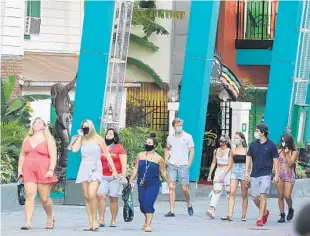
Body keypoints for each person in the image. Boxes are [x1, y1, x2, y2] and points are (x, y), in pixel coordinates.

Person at [71, 120, 118, 231]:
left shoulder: (99, 139)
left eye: (87, 127)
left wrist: (114, 170)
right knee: (86, 196)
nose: (85, 128)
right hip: (84, 166)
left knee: (92, 194)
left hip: (96, 167)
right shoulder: (82, 139)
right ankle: (91, 222)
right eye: (83, 127)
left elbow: (107, 155)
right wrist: (79, 136)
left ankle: (96, 220)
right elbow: (74, 149)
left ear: (92, 127)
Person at [18, 117, 58, 230]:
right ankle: (28, 222)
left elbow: (53, 156)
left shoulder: (48, 139)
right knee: (29, 195)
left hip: (44, 170)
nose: (36, 123)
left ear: (44, 126)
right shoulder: (27, 138)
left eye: (39, 122)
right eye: (34, 122)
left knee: (44, 198)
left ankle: (50, 217)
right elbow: (22, 155)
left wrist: (51, 170)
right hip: (28, 169)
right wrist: (19, 169)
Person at [130, 133, 170, 232]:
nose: (147, 144)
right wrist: (131, 180)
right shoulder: (140, 155)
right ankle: (147, 217)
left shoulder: (158, 158)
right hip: (141, 182)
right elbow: (135, 169)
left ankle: (148, 224)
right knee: (142, 204)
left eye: (149, 143)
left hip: (154, 183)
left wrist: (169, 182)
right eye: (146, 142)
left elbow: (163, 171)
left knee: (148, 203)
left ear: (154, 145)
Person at [245, 123, 279, 227]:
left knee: (263, 195)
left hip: (266, 173)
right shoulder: (253, 144)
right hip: (255, 173)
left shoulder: (271, 145)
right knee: (255, 198)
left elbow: (276, 161)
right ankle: (264, 212)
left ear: (262, 132)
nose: (256, 132)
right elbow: (248, 158)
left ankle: (260, 219)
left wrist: (277, 175)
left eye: (257, 130)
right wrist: (246, 172)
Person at [97, 128, 127, 227]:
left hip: (115, 176)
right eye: (107, 134)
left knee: (113, 198)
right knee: (100, 195)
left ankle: (113, 220)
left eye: (111, 134)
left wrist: (123, 176)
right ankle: (101, 219)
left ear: (114, 137)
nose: (108, 135)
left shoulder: (119, 147)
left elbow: (123, 163)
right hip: (102, 176)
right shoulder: (101, 147)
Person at [164, 118, 194, 217]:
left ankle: (189, 202)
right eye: (177, 125)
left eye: (180, 125)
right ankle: (171, 210)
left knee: (184, 188)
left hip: (183, 165)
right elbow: (167, 148)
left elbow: (192, 151)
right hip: (172, 165)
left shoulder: (188, 137)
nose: (179, 127)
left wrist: (189, 163)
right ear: (174, 126)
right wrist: (166, 159)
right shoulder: (170, 138)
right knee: (171, 187)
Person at [221, 132, 248, 221]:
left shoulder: (246, 149)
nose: (235, 140)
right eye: (234, 138)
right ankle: (230, 215)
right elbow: (230, 164)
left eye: (237, 138)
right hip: (235, 172)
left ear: (242, 139)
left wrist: (248, 174)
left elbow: (250, 163)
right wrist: (223, 174)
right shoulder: (233, 149)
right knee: (232, 192)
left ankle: (243, 215)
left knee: (244, 194)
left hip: (244, 171)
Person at [206, 134, 232, 219]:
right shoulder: (216, 150)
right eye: (220, 141)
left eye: (223, 141)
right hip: (218, 169)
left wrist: (223, 175)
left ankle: (229, 212)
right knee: (216, 190)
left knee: (229, 192)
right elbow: (214, 162)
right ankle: (212, 209)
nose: (221, 143)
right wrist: (210, 174)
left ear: (226, 142)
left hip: (227, 171)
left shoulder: (230, 151)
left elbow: (230, 165)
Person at [276, 133, 298, 223]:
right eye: (282, 141)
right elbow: (276, 163)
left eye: (284, 141)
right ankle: (282, 215)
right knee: (280, 195)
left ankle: (290, 208)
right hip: (280, 174)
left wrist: (288, 153)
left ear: (288, 142)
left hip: (289, 174)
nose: (283, 142)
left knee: (287, 195)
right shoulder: (279, 151)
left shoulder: (294, 152)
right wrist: (276, 174)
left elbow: (290, 164)